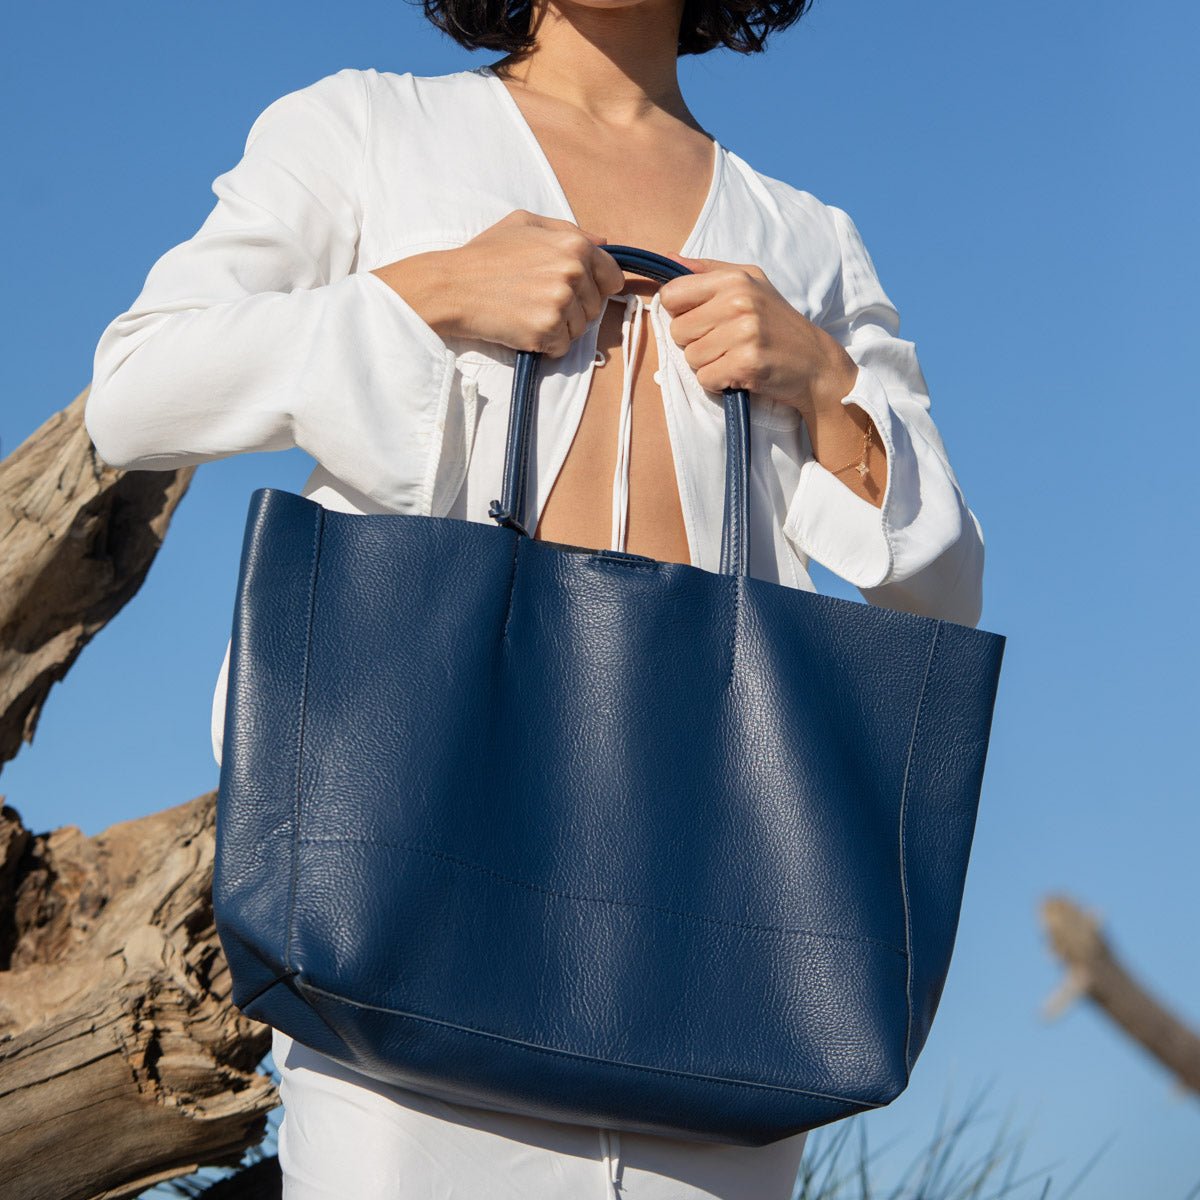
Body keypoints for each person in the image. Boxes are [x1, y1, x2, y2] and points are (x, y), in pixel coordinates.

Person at [83, 0, 986, 1193]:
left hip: (717, 942)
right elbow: (133, 392)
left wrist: (823, 386)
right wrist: (427, 291)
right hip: (404, 907)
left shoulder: (806, 236)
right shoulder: (366, 126)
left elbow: (944, 588)